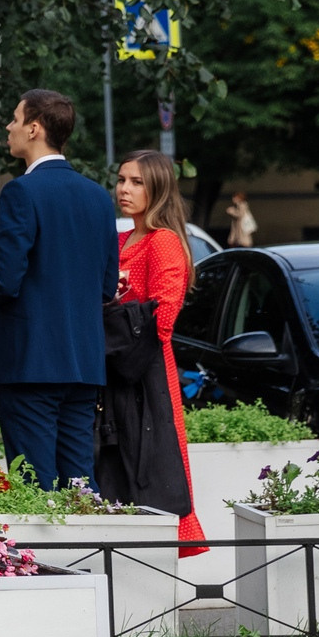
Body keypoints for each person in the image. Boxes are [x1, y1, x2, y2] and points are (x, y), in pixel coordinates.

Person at [0, 89, 119, 488]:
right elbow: (107, 286)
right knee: (79, 481)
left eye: (15, 118)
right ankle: (89, 551)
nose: (9, 127)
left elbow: (5, 282)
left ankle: (42, 555)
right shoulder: (97, 196)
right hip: (84, 363)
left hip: (30, 363)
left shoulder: (21, 191)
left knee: (33, 484)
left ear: (35, 128)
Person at [114, 151, 207, 553]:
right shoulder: (120, 239)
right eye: (121, 180)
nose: (124, 189)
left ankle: (161, 553)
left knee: (153, 460)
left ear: (158, 189)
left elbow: (163, 318)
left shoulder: (164, 242)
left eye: (136, 182)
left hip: (145, 367)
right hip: (116, 365)